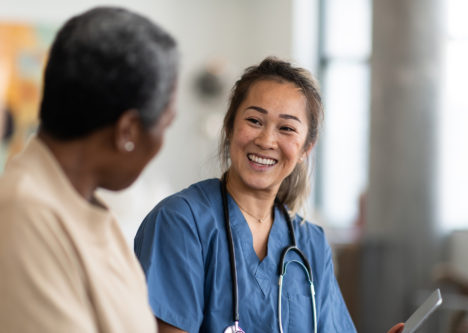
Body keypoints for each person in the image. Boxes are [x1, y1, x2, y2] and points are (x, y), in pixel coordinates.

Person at [134, 57, 404, 333]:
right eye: (254, 120)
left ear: (306, 148)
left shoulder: (311, 243)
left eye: (286, 128)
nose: (265, 140)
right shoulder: (180, 222)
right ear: (229, 127)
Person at [0, 6, 178, 332]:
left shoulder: (91, 211)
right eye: (165, 124)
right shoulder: (19, 213)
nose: (163, 141)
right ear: (128, 132)